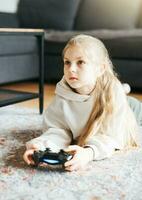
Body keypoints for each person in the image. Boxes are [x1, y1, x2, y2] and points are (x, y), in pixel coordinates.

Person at [23, 34, 142, 172]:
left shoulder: (112, 96)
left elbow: (111, 136)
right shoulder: (63, 93)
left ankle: (124, 92)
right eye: (67, 62)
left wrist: (88, 153)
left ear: (100, 69)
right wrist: (41, 147)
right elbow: (58, 129)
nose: (71, 69)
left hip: (131, 108)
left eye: (80, 62)